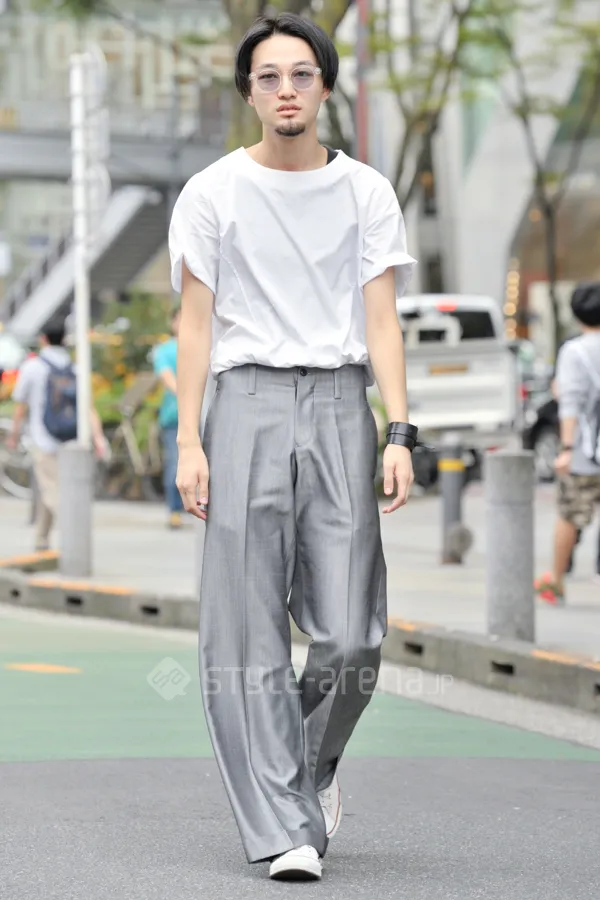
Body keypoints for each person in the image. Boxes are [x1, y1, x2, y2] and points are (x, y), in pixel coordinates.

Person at [170, 13, 417, 882]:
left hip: (342, 403)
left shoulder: (366, 192)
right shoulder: (213, 192)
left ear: (325, 87)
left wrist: (400, 428)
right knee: (246, 632)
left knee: (351, 634)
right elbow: (194, 324)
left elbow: (381, 319)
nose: (286, 90)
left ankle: (307, 771)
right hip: (244, 403)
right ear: (249, 92)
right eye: (269, 77)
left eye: (301, 75)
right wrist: (189, 439)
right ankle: (286, 829)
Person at [9, 319, 106, 552]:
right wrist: (98, 436)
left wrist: (13, 435)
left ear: (43, 339)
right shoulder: (75, 368)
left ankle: (74, 539)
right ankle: (41, 539)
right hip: (71, 439)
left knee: (53, 491)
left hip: (42, 438)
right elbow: (88, 407)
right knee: (50, 489)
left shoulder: (33, 367)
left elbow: (20, 406)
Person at [535, 282, 600, 604]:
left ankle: (556, 583)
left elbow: (570, 404)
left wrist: (566, 449)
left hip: (586, 455)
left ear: (576, 314)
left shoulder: (574, 351)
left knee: (570, 516)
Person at [153, 306, 185, 529]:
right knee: (175, 463)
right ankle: (174, 510)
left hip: (205, 414)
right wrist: (187, 398)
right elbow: (167, 378)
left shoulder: (207, 344)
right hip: (174, 417)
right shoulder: (164, 350)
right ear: (173, 322)